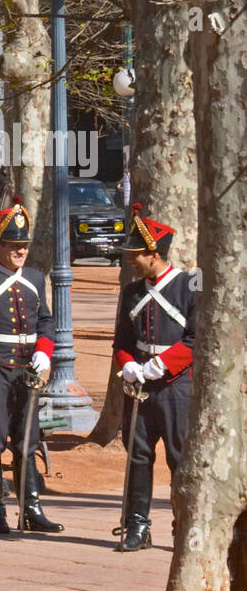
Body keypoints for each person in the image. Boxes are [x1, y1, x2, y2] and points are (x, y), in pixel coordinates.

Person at [0, 198, 63, 534]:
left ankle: (31, 507)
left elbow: (46, 321)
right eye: (13, 245)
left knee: (27, 441)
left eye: (23, 245)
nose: (20, 251)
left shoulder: (36, 279)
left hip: (27, 369)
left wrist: (45, 350)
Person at [112, 204, 195, 551]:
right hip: (139, 385)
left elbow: (197, 337)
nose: (131, 260)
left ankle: (185, 524)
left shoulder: (191, 284)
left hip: (176, 386)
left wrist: (162, 365)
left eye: (136, 254)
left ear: (154, 253)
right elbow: (122, 340)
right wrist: (128, 364)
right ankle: (137, 525)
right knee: (138, 456)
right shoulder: (131, 292)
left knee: (180, 456)